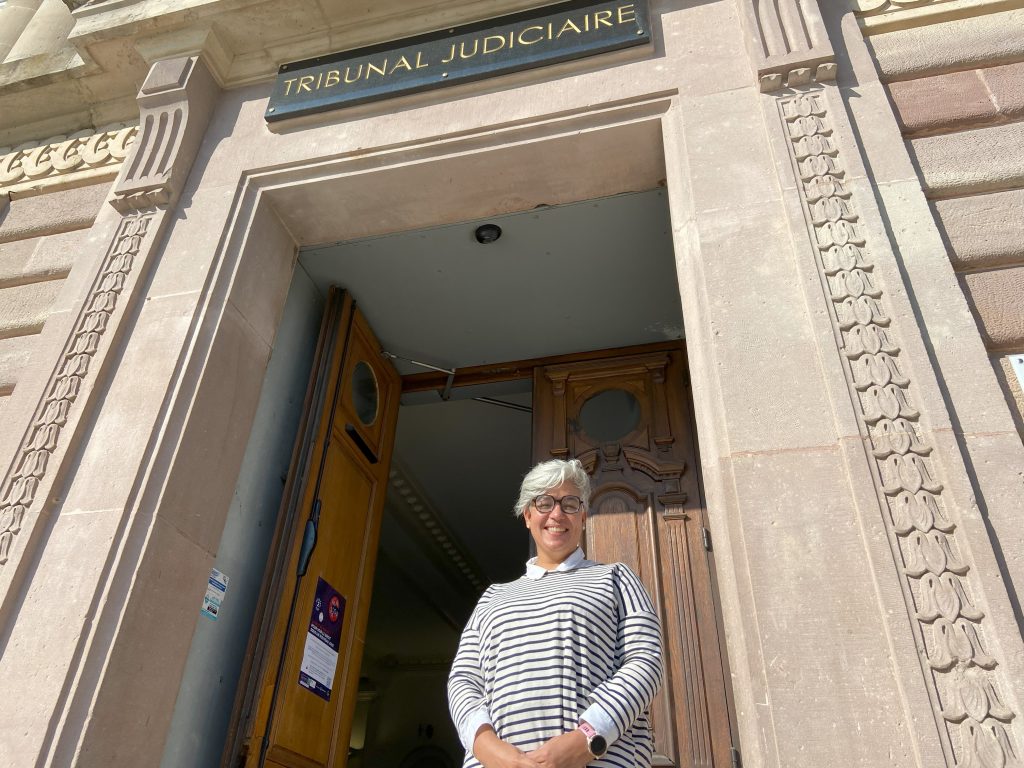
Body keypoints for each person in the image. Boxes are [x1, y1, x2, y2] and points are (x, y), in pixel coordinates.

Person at [447, 459, 663, 768]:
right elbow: (463, 680)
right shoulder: (493, 597)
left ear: (584, 516)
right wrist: (488, 749)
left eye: (570, 503)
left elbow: (645, 662)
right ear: (527, 515)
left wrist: (587, 738)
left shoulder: (616, 578)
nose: (557, 514)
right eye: (544, 502)